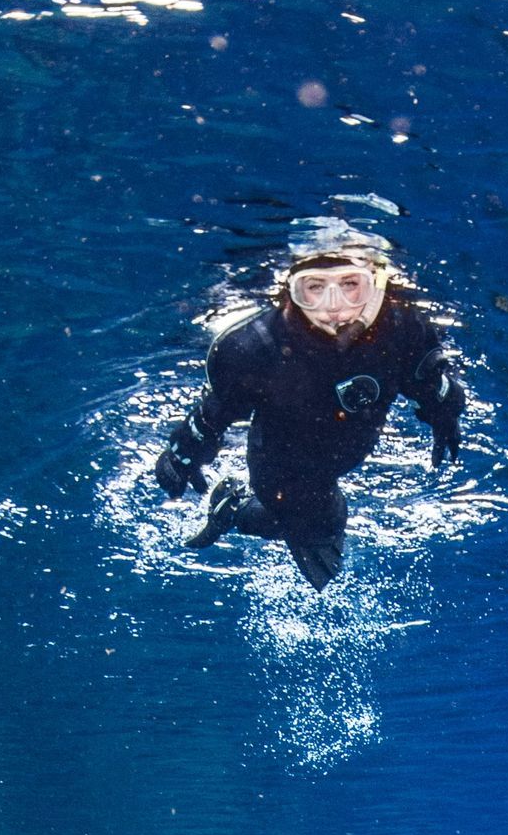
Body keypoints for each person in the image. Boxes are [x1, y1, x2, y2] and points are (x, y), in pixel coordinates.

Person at [153, 218, 465, 590]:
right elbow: (215, 413)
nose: (333, 309)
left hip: (344, 450)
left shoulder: (404, 327)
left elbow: (430, 382)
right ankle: (235, 510)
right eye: (313, 289)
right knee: (319, 531)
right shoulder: (255, 347)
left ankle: (241, 510)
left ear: (376, 282)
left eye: (351, 286)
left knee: (314, 525)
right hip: (283, 465)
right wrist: (183, 452)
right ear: (290, 290)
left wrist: (445, 414)